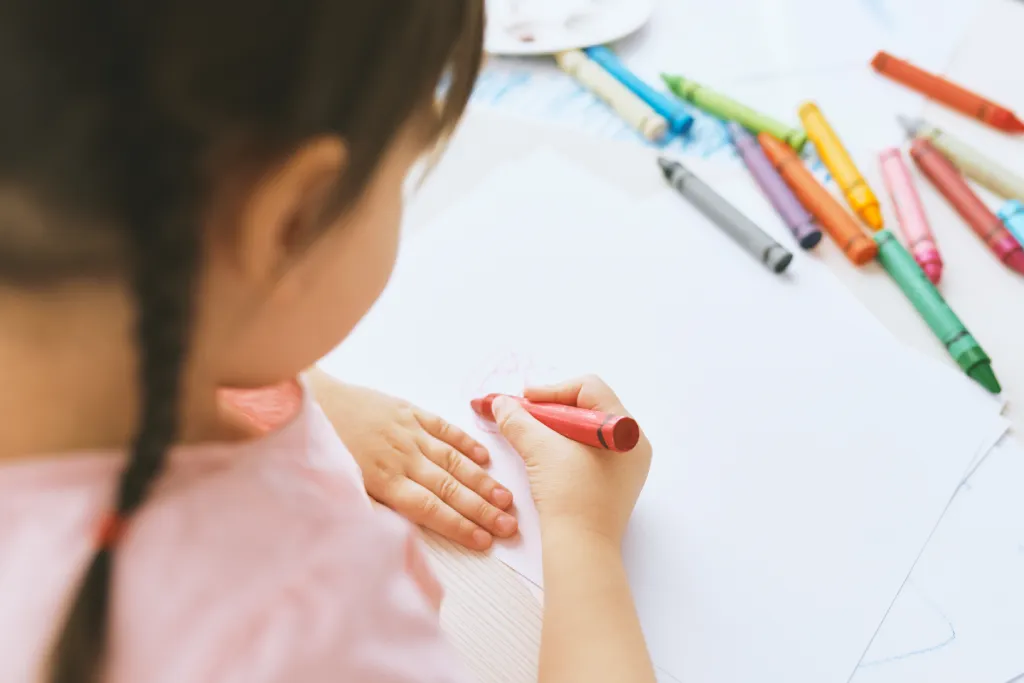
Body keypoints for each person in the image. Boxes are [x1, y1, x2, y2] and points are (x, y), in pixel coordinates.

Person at [0, 1, 656, 682]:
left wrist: (303, 389)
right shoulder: (300, 622)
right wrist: (585, 540)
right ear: (292, 218)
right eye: (402, 175)